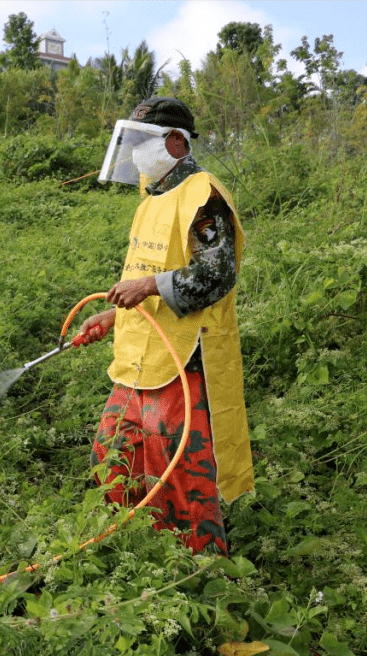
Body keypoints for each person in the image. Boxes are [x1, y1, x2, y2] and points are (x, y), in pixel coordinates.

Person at [76, 97, 253, 555]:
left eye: (143, 143)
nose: (136, 155)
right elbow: (148, 273)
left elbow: (216, 277)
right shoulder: (150, 201)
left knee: (178, 471)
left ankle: (204, 568)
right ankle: (129, 549)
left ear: (176, 142)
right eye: (130, 144)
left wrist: (150, 285)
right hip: (139, 359)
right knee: (113, 454)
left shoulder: (203, 195)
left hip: (185, 359)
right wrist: (114, 312)